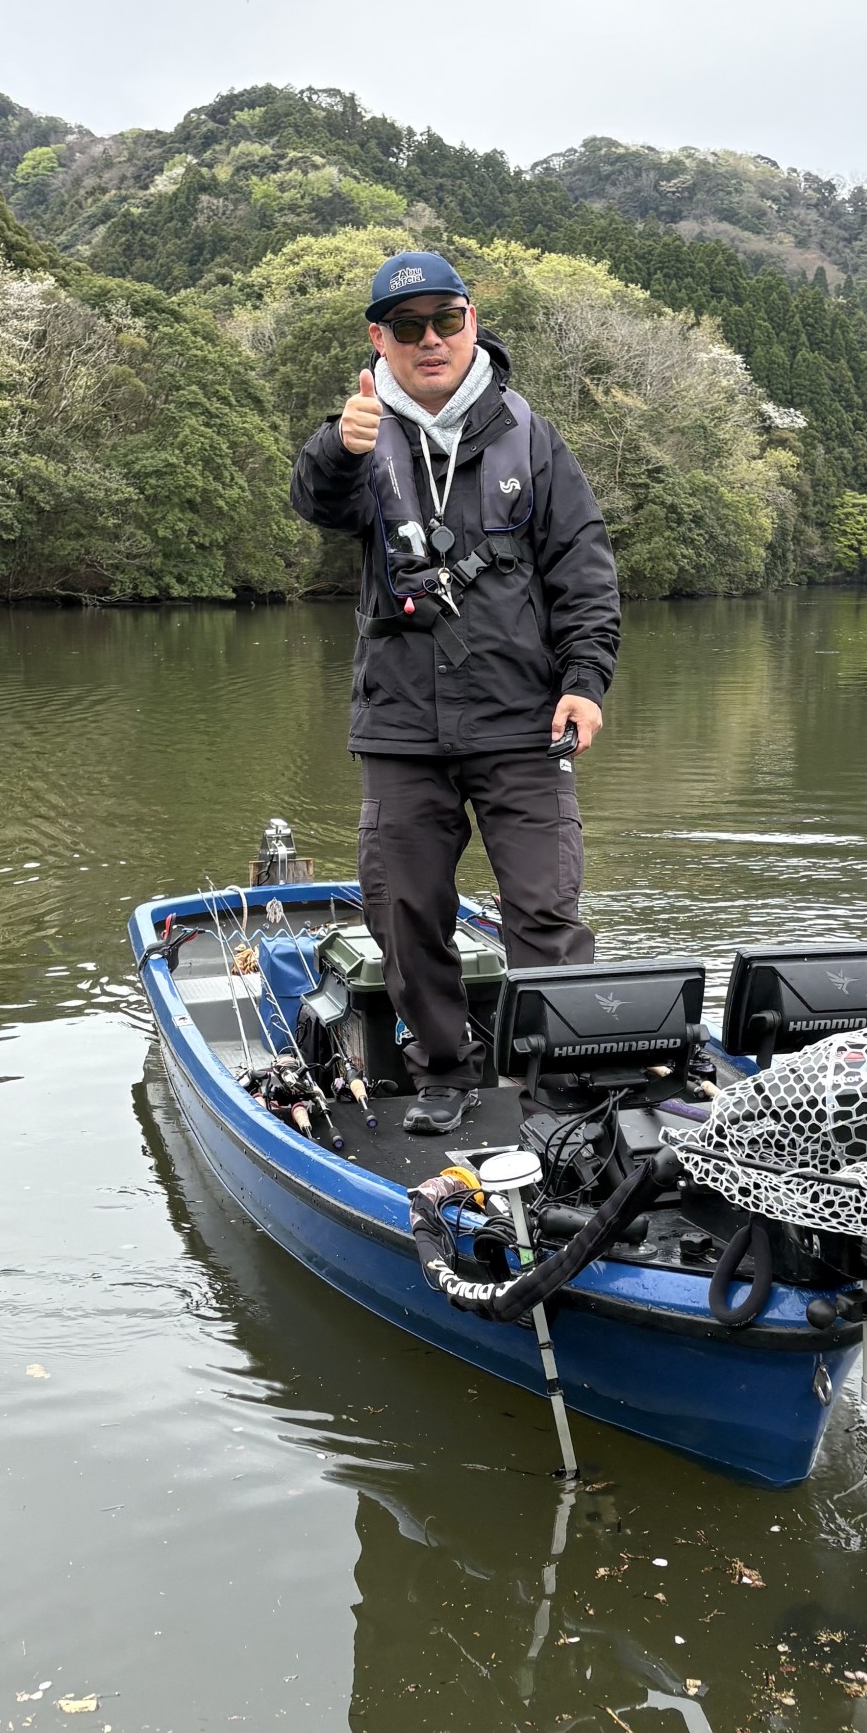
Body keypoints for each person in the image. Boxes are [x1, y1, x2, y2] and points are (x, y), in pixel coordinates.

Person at [290, 251, 621, 1135]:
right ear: (380, 339)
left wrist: (584, 685)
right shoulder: (360, 432)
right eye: (408, 326)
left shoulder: (530, 435)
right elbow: (316, 502)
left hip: (522, 719)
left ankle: (560, 1082)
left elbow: (584, 573)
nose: (430, 340)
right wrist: (335, 448)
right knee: (404, 910)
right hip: (400, 724)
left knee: (546, 911)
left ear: (473, 320)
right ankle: (444, 1067)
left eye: (446, 319)